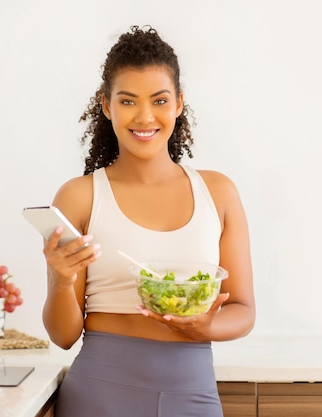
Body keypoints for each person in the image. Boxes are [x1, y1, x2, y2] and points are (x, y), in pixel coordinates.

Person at [41, 25, 255, 417]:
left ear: (178, 104)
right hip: (99, 392)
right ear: (106, 106)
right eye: (127, 101)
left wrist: (204, 328)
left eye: (159, 100)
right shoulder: (79, 196)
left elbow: (243, 309)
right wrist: (62, 279)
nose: (144, 117)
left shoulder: (219, 192)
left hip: (193, 392)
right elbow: (64, 336)